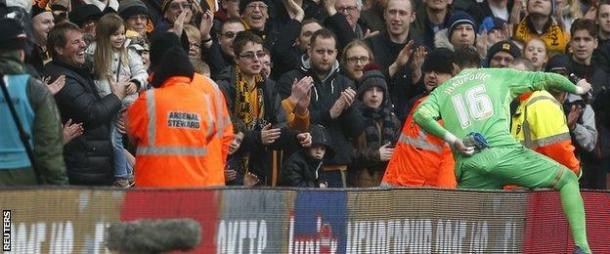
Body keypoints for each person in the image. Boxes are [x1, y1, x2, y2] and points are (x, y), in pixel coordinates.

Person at [413, 58, 593, 254]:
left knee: (473, 231)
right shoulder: (496, 75)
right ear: (481, 67)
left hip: (470, 167)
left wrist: (454, 140)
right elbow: (547, 78)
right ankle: (582, 248)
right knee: (567, 179)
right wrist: (578, 89)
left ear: (455, 70)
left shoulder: (442, 91)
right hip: (504, 155)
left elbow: (420, 116)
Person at [127, 32, 223, 187]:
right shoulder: (205, 98)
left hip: (153, 190)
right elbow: (215, 135)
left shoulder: (148, 99)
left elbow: (132, 134)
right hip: (196, 188)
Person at [382, 48, 482, 188]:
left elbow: (450, 163)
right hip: (398, 188)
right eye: (428, 71)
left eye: (439, 72)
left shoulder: (453, 112)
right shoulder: (421, 103)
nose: (431, 76)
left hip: (424, 197)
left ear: (453, 75)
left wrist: (442, 202)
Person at [278, 29, 364, 187]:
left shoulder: (346, 83)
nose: (325, 57)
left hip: (338, 169)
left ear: (336, 53)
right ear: (309, 51)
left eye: (330, 52)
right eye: (320, 51)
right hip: (301, 170)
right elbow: (285, 123)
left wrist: (347, 108)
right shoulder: (292, 79)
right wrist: (329, 114)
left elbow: (357, 129)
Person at [44, 22, 126, 185]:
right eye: (76, 42)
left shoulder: (77, 70)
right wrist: (116, 97)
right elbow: (92, 113)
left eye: (83, 40)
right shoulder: (62, 79)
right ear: (59, 49)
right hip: (83, 169)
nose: (83, 45)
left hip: (91, 164)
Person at [0, 17, 68, 185]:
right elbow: (49, 147)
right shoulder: (34, 89)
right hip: (22, 178)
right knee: (8, 212)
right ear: (21, 53)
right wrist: (58, 188)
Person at [86, 13, 148, 187]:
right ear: (104, 35)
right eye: (115, 34)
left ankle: (122, 175)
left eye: (122, 33)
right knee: (111, 139)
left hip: (125, 105)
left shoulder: (130, 51)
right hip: (105, 104)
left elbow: (143, 74)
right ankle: (128, 172)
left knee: (115, 138)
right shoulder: (93, 52)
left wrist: (136, 83)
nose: (120, 37)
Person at [509, 57, 581, 176]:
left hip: (540, 189)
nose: (511, 82)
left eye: (517, 76)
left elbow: (557, 148)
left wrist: (575, 171)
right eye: (509, 77)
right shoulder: (523, 105)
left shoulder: (540, 102)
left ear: (531, 77)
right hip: (526, 187)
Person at [351, 68, 400, 187]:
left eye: (379, 90)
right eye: (369, 90)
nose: (374, 94)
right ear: (362, 94)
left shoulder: (393, 120)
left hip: (388, 182)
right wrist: (376, 155)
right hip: (359, 184)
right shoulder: (353, 118)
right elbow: (348, 154)